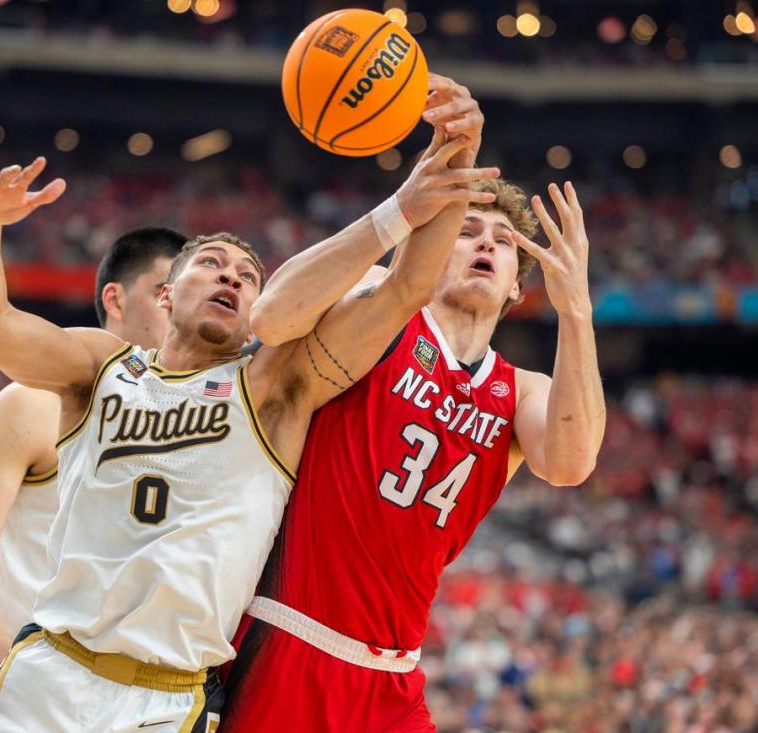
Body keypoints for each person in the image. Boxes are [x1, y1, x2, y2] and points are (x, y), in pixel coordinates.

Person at [0, 75, 497, 733]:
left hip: (162, 700)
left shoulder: (273, 389)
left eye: (247, 276)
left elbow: (406, 288)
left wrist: (452, 156)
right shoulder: (101, 368)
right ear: (166, 294)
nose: (232, 276)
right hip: (46, 672)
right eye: (212, 263)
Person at [220, 83, 606, 731]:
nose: (486, 243)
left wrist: (577, 311)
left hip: (394, 675)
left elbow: (569, 464)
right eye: (468, 230)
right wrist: (400, 214)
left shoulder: (523, 389)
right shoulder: (384, 308)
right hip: (288, 636)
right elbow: (273, 315)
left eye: (504, 241)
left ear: (518, 283)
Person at [0, 227, 186, 677]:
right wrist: (21, 688)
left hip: (151, 702)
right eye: (163, 293)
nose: (177, 309)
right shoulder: (32, 403)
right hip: (45, 693)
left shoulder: (206, 421)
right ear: (115, 300)